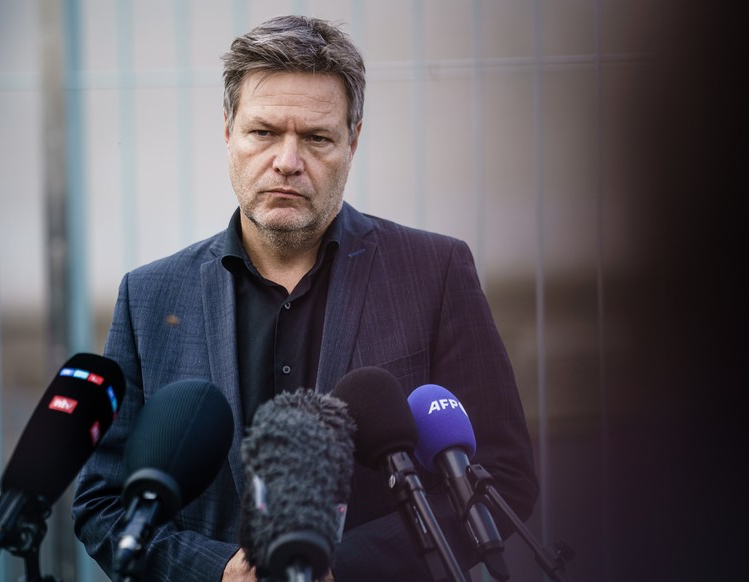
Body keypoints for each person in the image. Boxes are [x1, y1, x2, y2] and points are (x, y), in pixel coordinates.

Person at [72, 14, 538, 582]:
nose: (288, 162)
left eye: (317, 138)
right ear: (228, 132)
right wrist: (218, 573)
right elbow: (104, 504)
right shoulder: (149, 297)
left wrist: (340, 568)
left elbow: (502, 476)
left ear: (353, 141)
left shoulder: (435, 273)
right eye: (263, 132)